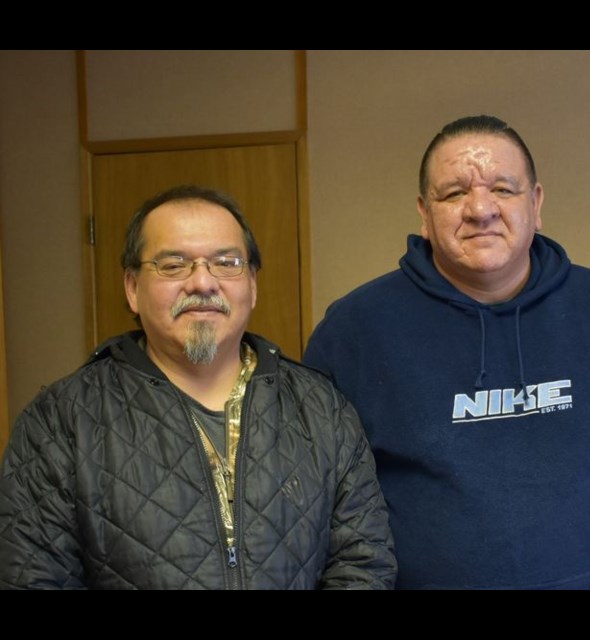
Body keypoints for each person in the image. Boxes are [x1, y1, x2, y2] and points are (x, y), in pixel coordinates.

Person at [303, 115, 590, 589]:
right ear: (424, 213)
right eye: (454, 193)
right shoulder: (353, 329)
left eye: (503, 189)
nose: (480, 209)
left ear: (536, 203)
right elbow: (322, 499)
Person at [0, 185, 396, 589]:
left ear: (252, 285)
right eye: (174, 265)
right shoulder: (61, 421)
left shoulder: (321, 409)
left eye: (226, 263)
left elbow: (363, 562)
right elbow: (30, 576)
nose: (203, 282)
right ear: (132, 287)